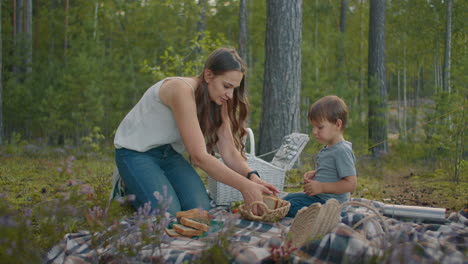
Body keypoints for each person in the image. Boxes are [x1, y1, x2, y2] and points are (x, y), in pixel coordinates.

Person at [113, 47, 278, 215]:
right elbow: (199, 157)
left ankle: (151, 184)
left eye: (234, 88)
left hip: (168, 155)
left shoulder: (219, 99)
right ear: (208, 75)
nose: (230, 94)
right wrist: (245, 187)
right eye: (227, 86)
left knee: (199, 210)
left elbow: (229, 151)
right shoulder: (180, 89)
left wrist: (252, 177)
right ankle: (127, 186)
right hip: (135, 153)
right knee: (167, 214)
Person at [284, 95, 357, 217]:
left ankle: (321, 219)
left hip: (332, 206)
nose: (314, 131)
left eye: (320, 127)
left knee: (290, 206)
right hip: (320, 199)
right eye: (313, 126)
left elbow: (351, 184)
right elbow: (333, 173)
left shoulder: (342, 150)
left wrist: (322, 186)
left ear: (338, 124)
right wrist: (316, 174)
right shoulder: (329, 148)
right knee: (287, 198)